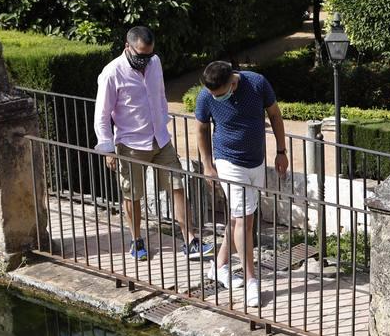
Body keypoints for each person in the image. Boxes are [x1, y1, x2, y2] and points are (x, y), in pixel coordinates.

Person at [94, 25, 209, 262]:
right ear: (127, 47)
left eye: (149, 54)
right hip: (131, 144)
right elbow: (102, 115)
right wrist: (107, 150)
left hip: (160, 139)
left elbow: (160, 94)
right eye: (141, 55)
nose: (145, 59)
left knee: (177, 186)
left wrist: (163, 119)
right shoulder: (111, 73)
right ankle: (136, 240)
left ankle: (190, 241)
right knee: (133, 195)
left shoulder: (154, 62)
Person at [194, 61, 288, 309]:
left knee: (238, 218)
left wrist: (281, 151)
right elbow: (201, 130)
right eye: (213, 95)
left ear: (232, 83)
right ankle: (251, 281)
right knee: (245, 220)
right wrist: (207, 164)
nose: (216, 99)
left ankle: (218, 266)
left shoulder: (256, 82)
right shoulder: (205, 96)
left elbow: (275, 115)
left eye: (220, 95)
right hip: (228, 161)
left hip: (255, 160)